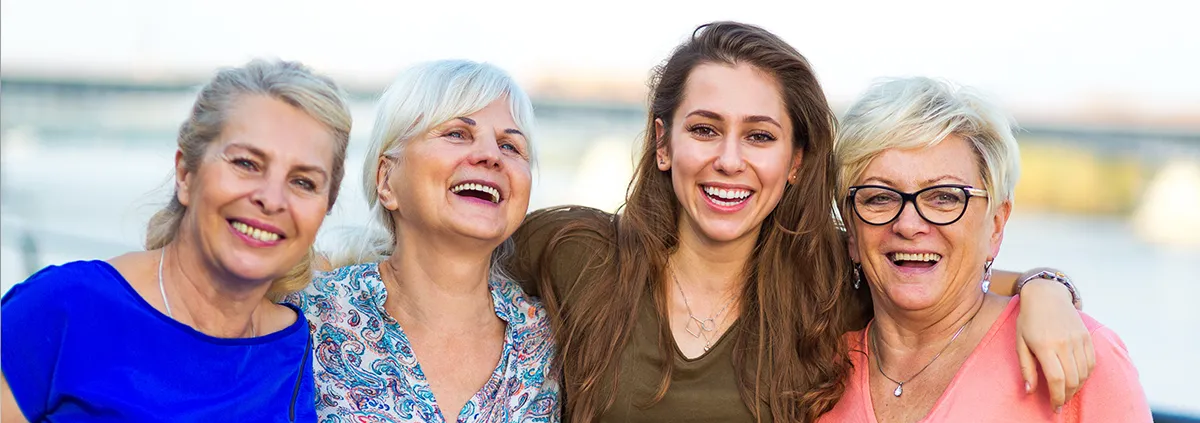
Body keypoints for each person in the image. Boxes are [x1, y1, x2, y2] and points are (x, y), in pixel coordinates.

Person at [509, 22, 1092, 422]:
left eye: (760, 136)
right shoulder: (574, 251)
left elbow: (951, 274)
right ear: (664, 144)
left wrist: (1047, 288)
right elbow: (437, 273)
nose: (730, 160)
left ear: (795, 162)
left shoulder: (827, 283)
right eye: (705, 129)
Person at [1, 58, 353, 422]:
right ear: (186, 174)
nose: (272, 199)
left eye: (303, 182)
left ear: (324, 209)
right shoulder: (67, 305)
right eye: (247, 163)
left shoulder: (293, 345)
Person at [819, 77, 1150, 422]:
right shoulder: (814, 373)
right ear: (852, 232)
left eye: (945, 197)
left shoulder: (1080, 357)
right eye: (879, 197)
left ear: (996, 225)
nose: (909, 224)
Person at [289, 60, 560, 422]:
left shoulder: (549, 341)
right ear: (386, 180)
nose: (491, 156)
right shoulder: (307, 315)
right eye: (457, 134)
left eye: (510, 145)